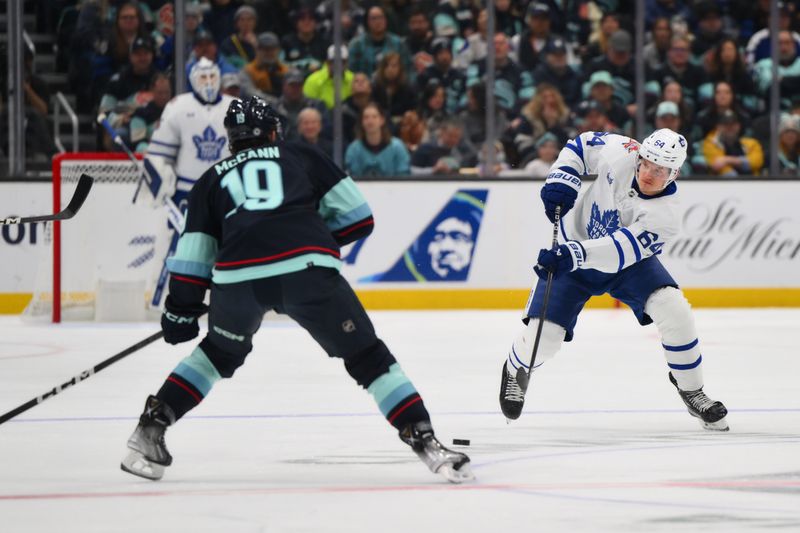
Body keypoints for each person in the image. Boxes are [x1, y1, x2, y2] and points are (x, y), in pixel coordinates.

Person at [120, 95, 474, 484]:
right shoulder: (300, 155)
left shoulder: (210, 179)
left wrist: (180, 311)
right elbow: (358, 217)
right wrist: (311, 238)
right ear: (273, 131)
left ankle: (150, 429)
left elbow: (192, 263)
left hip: (238, 281)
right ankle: (425, 441)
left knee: (218, 352)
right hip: (307, 272)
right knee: (368, 358)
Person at [498, 128, 730, 432]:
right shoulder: (620, 150)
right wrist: (563, 176)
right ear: (640, 155)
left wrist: (572, 254)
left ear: (674, 173)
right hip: (575, 247)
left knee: (674, 309)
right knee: (546, 338)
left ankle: (691, 389)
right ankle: (517, 369)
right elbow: (580, 145)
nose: (648, 173)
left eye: (660, 170)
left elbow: (619, 251)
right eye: (647, 163)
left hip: (625, 263)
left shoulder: (665, 217)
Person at [345, 102, 411, 177]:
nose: (370, 121)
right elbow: (352, 178)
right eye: (366, 117)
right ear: (361, 122)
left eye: (374, 117)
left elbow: (403, 177)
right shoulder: (354, 149)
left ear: (382, 120)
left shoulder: (397, 147)